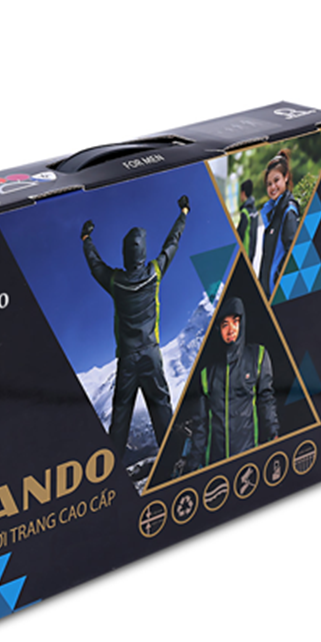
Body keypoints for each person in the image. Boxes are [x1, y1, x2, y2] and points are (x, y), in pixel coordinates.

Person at [81, 196, 190, 458]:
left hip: (127, 359)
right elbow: (172, 243)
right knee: (161, 408)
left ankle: (113, 467)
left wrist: (86, 239)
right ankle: (173, 461)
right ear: (143, 252)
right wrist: (183, 213)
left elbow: (95, 265)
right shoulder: (155, 272)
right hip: (151, 354)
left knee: (121, 416)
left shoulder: (115, 281)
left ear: (125, 254)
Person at [173, 296, 278, 475]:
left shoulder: (257, 356)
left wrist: (273, 434)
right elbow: (200, 424)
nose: (231, 329)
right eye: (225, 325)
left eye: (235, 322)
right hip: (216, 465)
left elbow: (266, 400)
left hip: (248, 458)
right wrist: (193, 465)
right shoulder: (207, 374)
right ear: (218, 329)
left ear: (242, 323)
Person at [258, 149, 300, 298]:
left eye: (276, 180)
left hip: (279, 294)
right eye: (269, 184)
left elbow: (293, 253)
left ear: (286, 177)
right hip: (267, 295)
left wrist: (279, 281)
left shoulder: (288, 211)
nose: (272, 187)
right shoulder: (273, 213)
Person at [238, 179, 259, 265]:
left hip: (244, 253)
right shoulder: (254, 210)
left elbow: (240, 234)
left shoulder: (245, 212)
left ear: (243, 193)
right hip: (252, 251)